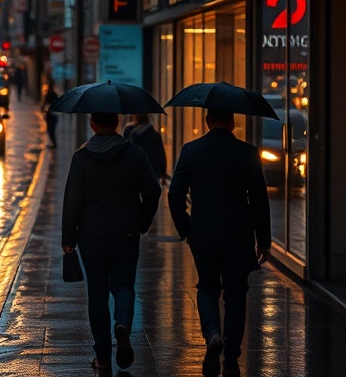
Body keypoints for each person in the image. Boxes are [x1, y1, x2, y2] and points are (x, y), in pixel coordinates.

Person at [168, 109, 271, 377]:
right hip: (239, 233)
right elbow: (259, 200)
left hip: (203, 231)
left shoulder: (191, 150)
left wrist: (185, 228)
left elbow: (175, 193)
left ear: (207, 121)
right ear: (233, 122)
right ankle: (232, 355)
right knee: (236, 293)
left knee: (208, 287)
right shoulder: (247, 152)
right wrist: (264, 240)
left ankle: (212, 334)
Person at [61, 112, 161, 374]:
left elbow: (73, 200)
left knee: (97, 294)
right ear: (117, 122)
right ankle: (123, 326)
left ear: (92, 123)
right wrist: (142, 222)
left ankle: (103, 357)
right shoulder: (135, 153)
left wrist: (68, 239)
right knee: (124, 285)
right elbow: (153, 191)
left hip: (91, 237)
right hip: (126, 232)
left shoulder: (81, 157)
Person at [122, 114, 167, 182]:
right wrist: (163, 175)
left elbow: (124, 152)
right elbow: (161, 156)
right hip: (152, 172)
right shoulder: (154, 135)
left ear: (135, 117)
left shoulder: (129, 132)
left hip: (133, 172)